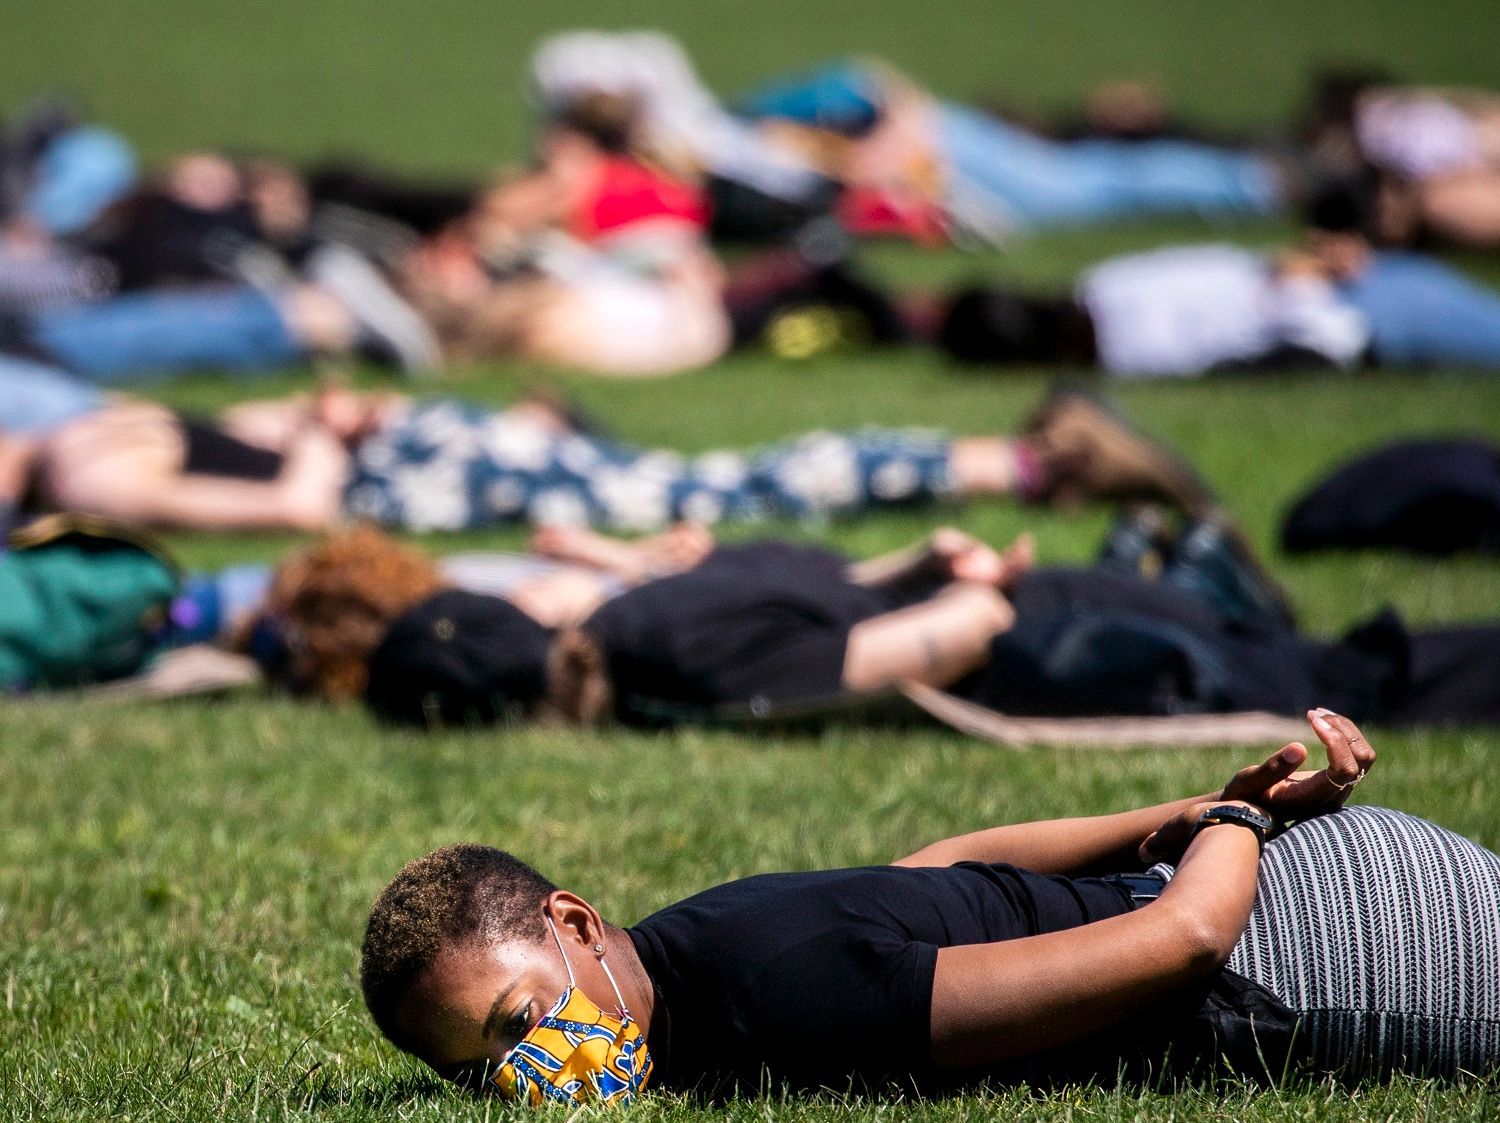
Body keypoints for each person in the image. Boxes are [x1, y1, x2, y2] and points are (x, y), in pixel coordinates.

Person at [358, 713, 1500, 1101]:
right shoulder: (697, 942)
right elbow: (952, 862)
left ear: (573, 923)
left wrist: (1235, 828)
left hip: (1332, 958)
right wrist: (1203, 811)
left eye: (519, 1020)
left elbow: (1185, 943)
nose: (527, 1071)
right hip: (1272, 878)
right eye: (479, 1072)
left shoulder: (780, 999)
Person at [10, 386, 1210, 533]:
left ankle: (1028, 463)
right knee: (729, 481)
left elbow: (278, 425)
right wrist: (327, 437)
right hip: (430, 483)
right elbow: (299, 507)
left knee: (723, 476)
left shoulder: (76, 429)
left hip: (438, 447)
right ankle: (1029, 465)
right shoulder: (85, 476)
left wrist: (332, 409)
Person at [940, 189, 1500, 375]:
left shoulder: (1121, 334)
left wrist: (1306, 266)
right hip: (1361, 312)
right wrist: (1305, 271)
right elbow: (1307, 340)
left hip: (1348, 292)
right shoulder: (1110, 303)